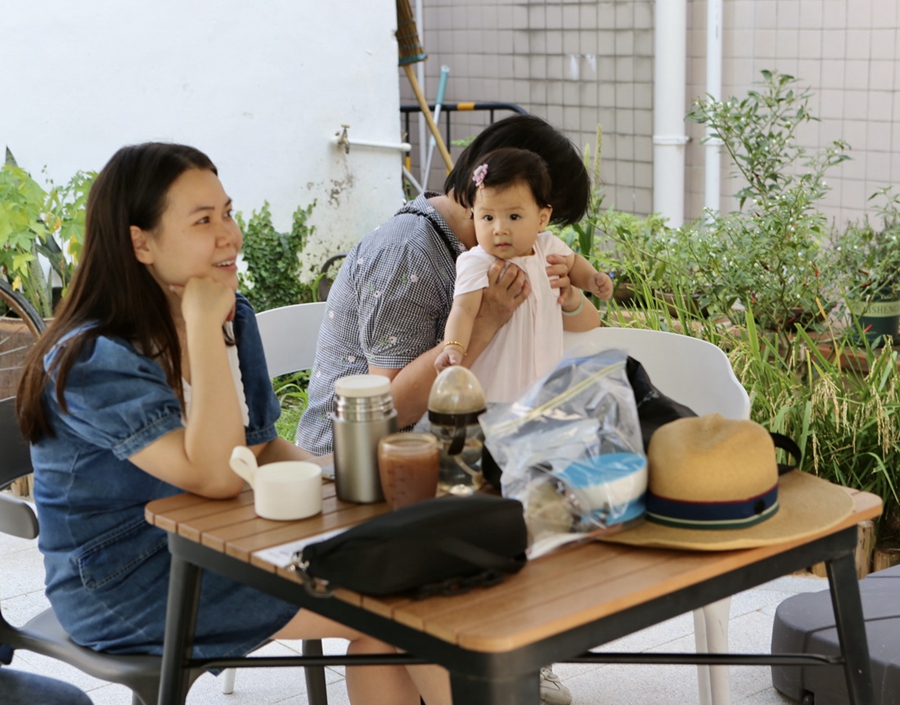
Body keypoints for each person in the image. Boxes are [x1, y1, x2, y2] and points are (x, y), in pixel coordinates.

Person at [16, 143, 449, 705]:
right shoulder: (95, 357)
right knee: (394, 608)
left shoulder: (230, 314)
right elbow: (218, 477)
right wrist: (201, 326)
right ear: (139, 242)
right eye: (203, 220)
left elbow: (262, 449)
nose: (230, 234)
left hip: (224, 541)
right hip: (123, 580)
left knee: (411, 592)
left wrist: (347, 483)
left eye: (227, 212)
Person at [296, 115, 589, 705]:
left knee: (548, 497)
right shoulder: (412, 250)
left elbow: (583, 320)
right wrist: (485, 323)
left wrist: (571, 288)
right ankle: (493, 665)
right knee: (505, 514)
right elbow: (384, 408)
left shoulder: (499, 245)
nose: (517, 228)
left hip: (452, 441)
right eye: (509, 212)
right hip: (356, 463)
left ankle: (515, 656)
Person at [435, 147, 612, 401]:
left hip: (545, 381)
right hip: (497, 385)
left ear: (542, 218)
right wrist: (453, 346)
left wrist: (593, 280)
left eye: (514, 216)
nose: (499, 229)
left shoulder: (547, 248)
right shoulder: (476, 263)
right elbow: (463, 310)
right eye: (487, 217)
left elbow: (574, 265)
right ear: (473, 215)